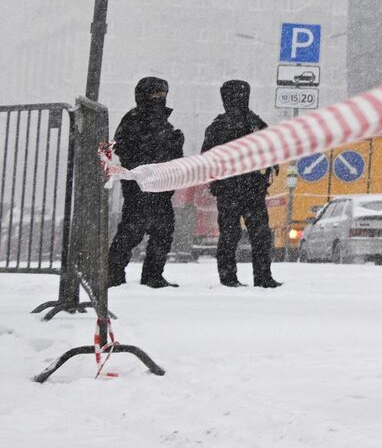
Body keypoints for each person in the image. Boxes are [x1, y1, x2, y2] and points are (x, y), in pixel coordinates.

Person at [106, 76, 185, 288]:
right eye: (156, 94)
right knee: (131, 232)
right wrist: (153, 151)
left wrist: (175, 144)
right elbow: (124, 150)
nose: (160, 98)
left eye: (163, 94)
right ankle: (112, 274)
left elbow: (171, 156)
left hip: (161, 186)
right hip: (140, 187)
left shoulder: (163, 122)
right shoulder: (133, 119)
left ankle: (152, 275)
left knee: (163, 232)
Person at [202, 80, 281, 289]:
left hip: (251, 189)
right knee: (232, 234)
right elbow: (207, 158)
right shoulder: (222, 126)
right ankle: (231, 278)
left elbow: (271, 147)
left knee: (259, 235)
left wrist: (272, 164)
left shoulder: (253, 123)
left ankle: (262, 277)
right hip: (231, 190)